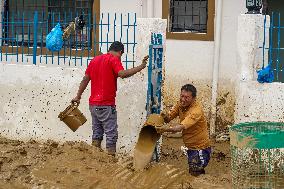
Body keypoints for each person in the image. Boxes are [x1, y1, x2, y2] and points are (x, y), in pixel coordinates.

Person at [72, 41, 149, 156]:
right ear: (120, 52)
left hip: (93, 105)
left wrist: (78, 96)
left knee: (97, 132)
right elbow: (122, 74)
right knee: (111, 133)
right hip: (106, 105)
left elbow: (85, 79)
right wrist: (141, 67)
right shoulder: (113, 59)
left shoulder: (94, 60)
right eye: (121, 55)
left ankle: (95, 156)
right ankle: (110, 159)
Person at [156, 84, 211, 176]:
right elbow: (168, 118)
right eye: (182, 96)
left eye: (186, 97)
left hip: (200, 148)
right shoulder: (180, 104)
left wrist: (165, 129)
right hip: (191, 146)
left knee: (195, 170)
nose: (183, 99)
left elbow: (180, 127)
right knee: (194, 170)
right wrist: (164, 115)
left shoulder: (196, 111)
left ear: (194, 98)